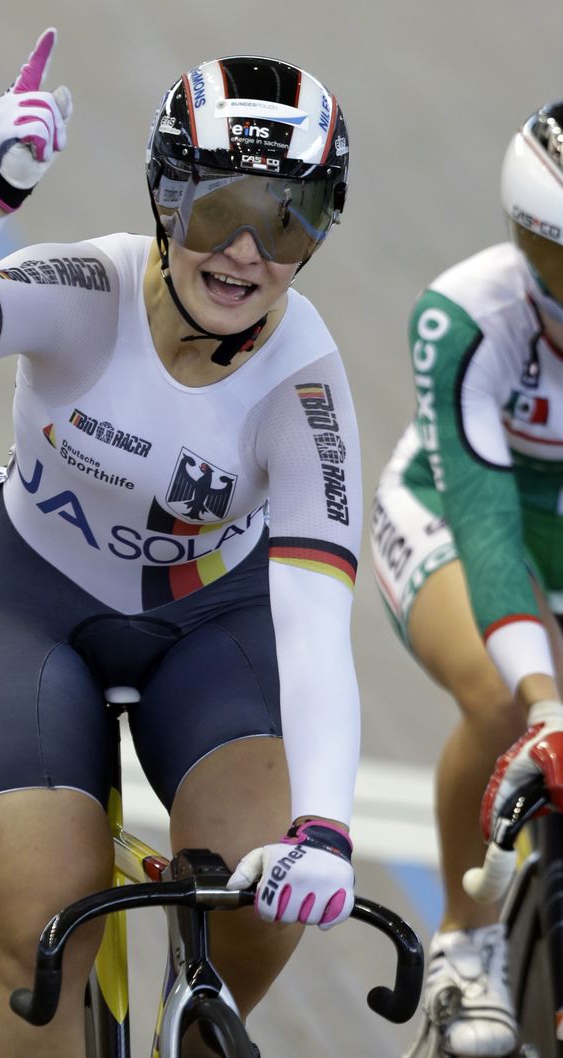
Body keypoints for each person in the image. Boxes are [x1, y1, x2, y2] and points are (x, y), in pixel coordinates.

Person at [0, 28, 361, 1058]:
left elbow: (314, 627)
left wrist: (325, 827)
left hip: (211, 624)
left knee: (259, 897)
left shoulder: (306, 387)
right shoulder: (85, 291)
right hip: (31, 602)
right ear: (164, 197)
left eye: (288, 221)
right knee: (40, 938)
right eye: (219, 208)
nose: (245, 253)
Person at [370, 100, 563, 1058]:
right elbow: (488, 531)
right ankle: (466, 944)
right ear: (528, 244)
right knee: (500, 698)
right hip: (449, 512)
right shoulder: (469, 314)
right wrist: (543, 696)